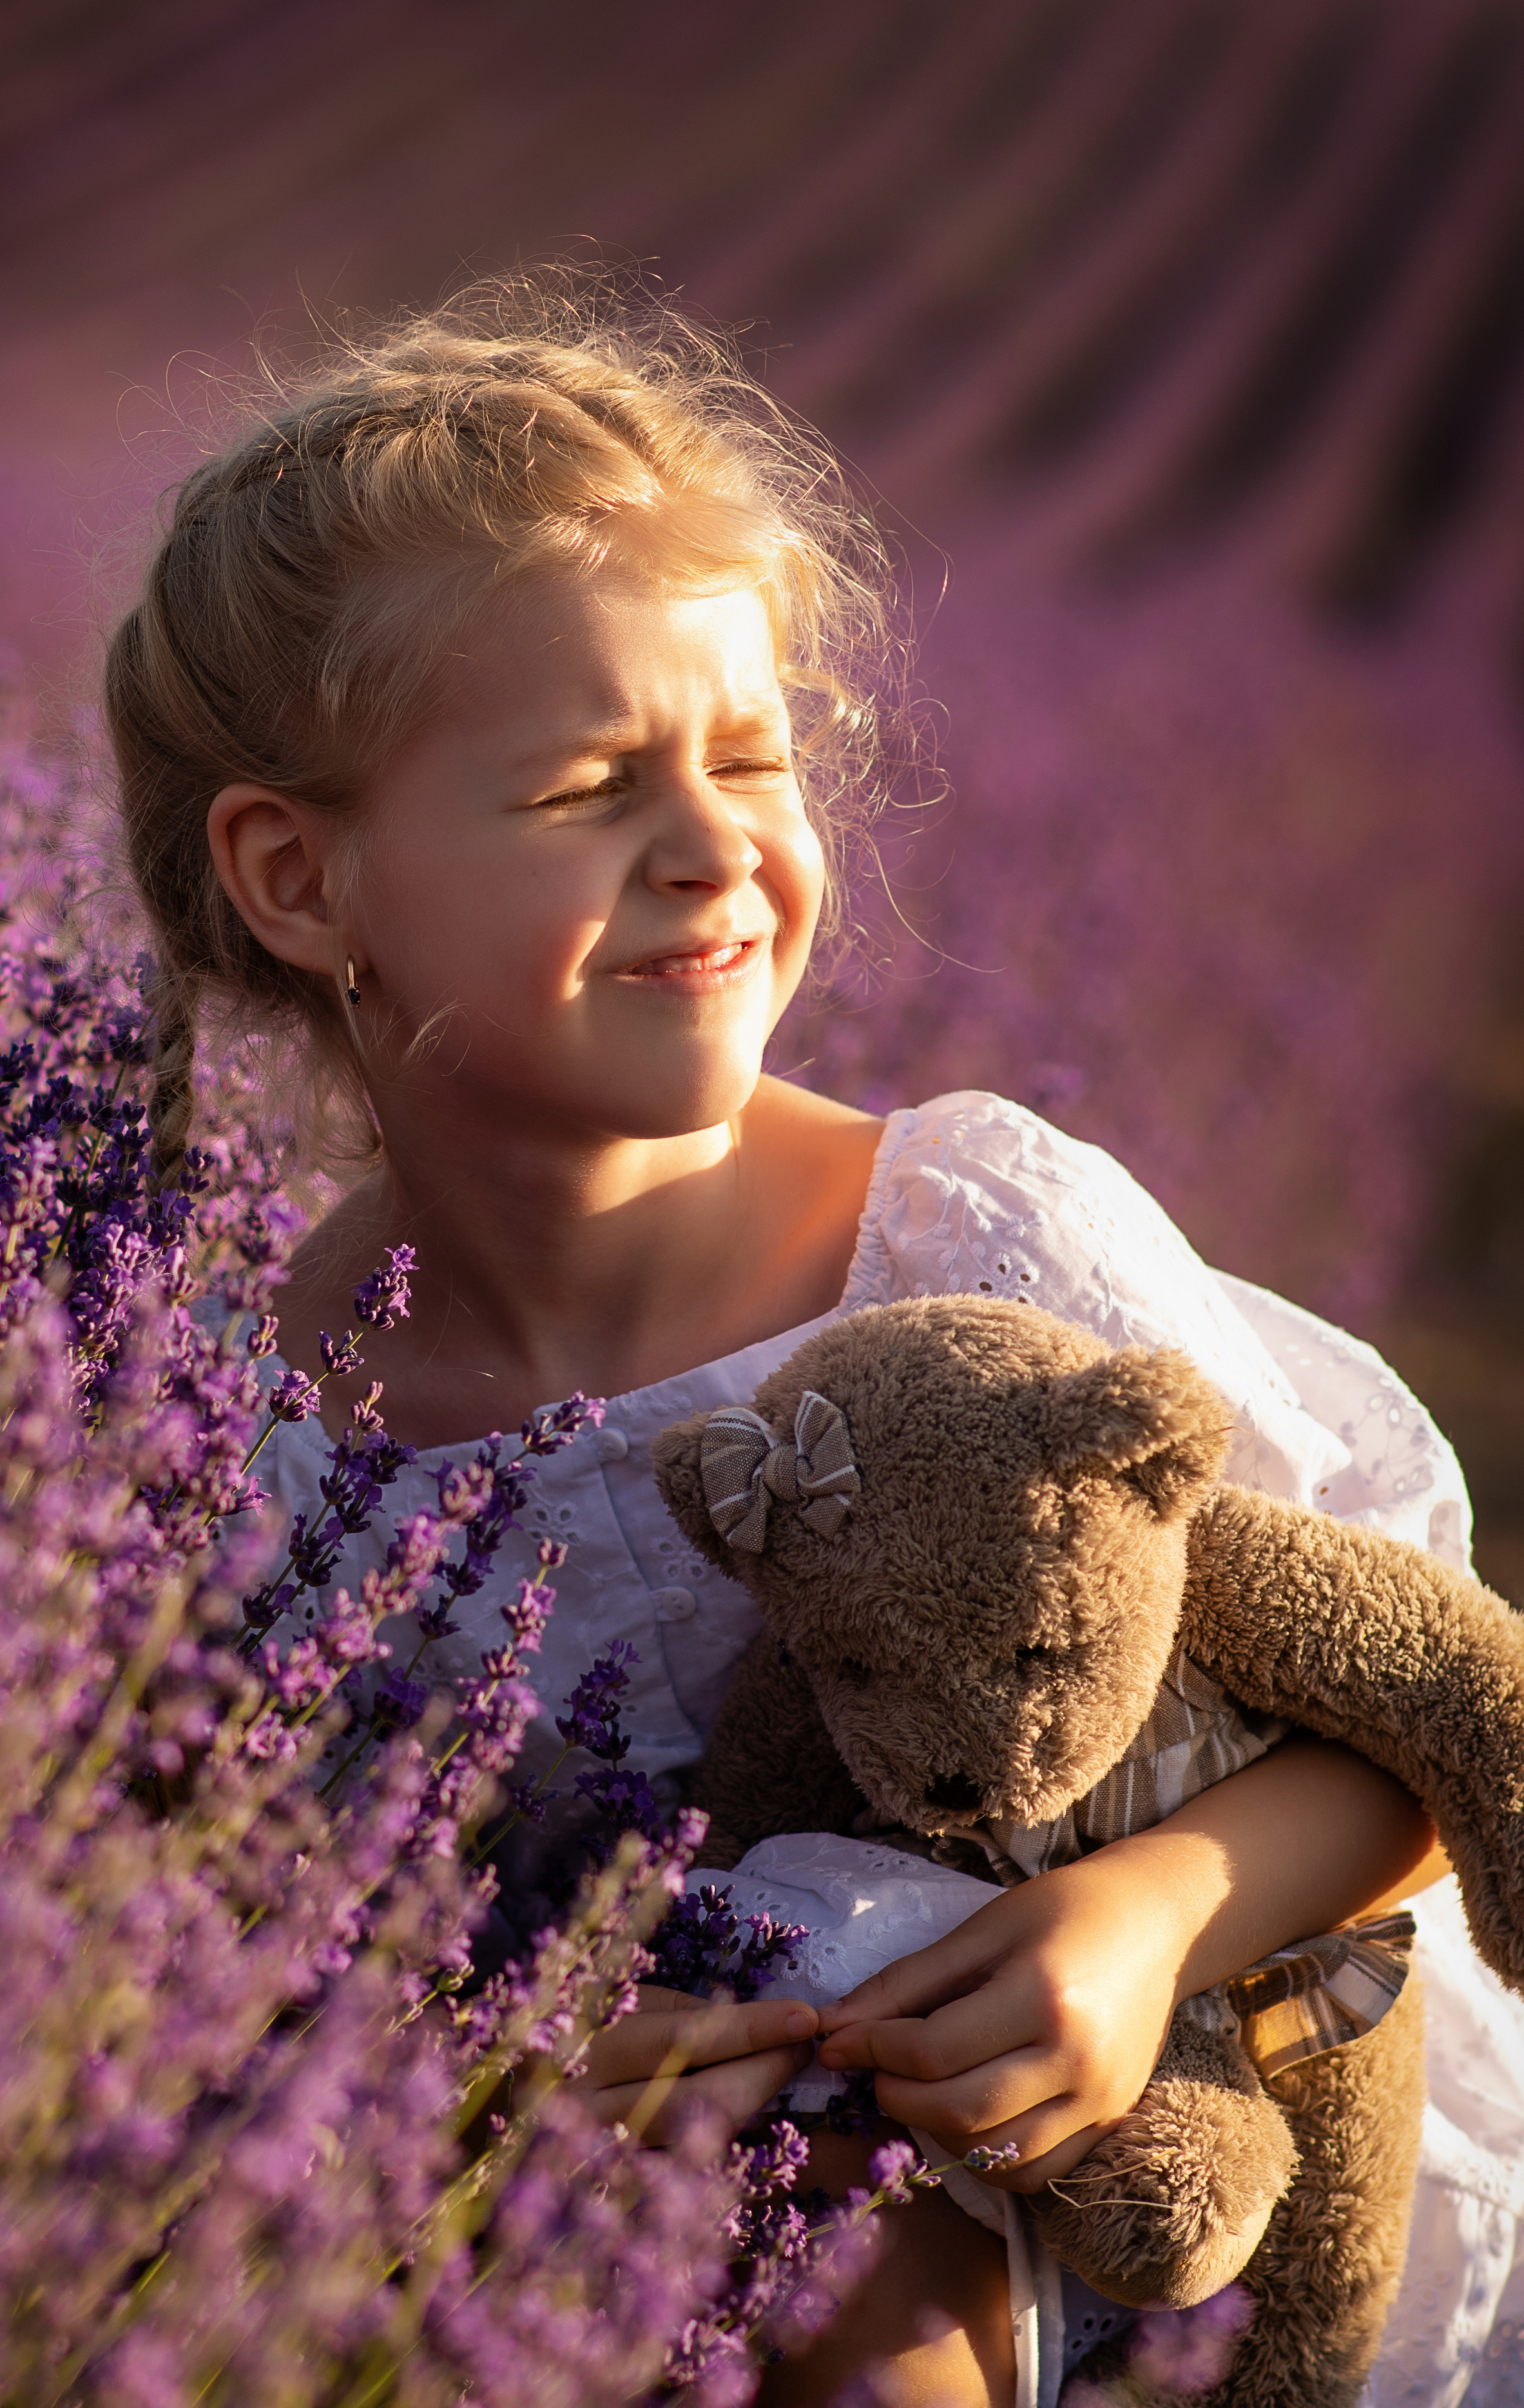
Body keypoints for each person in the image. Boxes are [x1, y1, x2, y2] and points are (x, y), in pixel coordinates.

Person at [106, 275, 1524, 2408]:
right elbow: (259, 1938)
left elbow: (1407, 1726)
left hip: (1195, 2163)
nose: (717, 852)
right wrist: (516, 2071)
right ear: (302, 884)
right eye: (591, 787)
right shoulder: (265, 1432)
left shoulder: (967, 1248)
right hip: (625, 2220)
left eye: (753, 757)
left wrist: (1144, 1920)